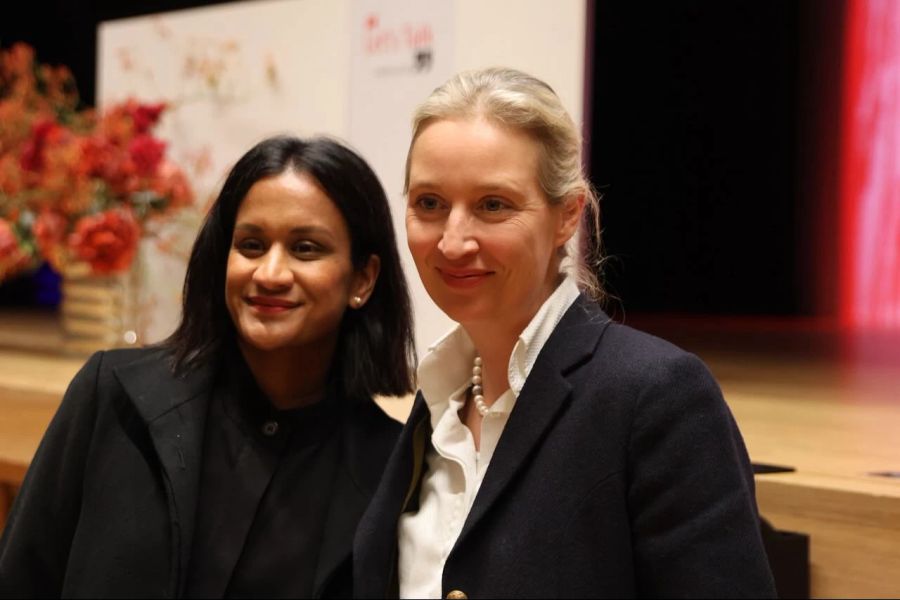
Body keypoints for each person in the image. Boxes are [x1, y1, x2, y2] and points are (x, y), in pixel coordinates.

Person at [353, 67, 777, 598]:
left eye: (493, 205)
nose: (453, 241)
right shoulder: (438, 398)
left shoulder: (656, 396)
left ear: (567, 217)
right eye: (430, 204)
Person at [0, 135, 416, 598]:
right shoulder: (115, 396)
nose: (270, 274)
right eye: (252, 245)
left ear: (363, 278)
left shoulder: (392, 468)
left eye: (305, 249)